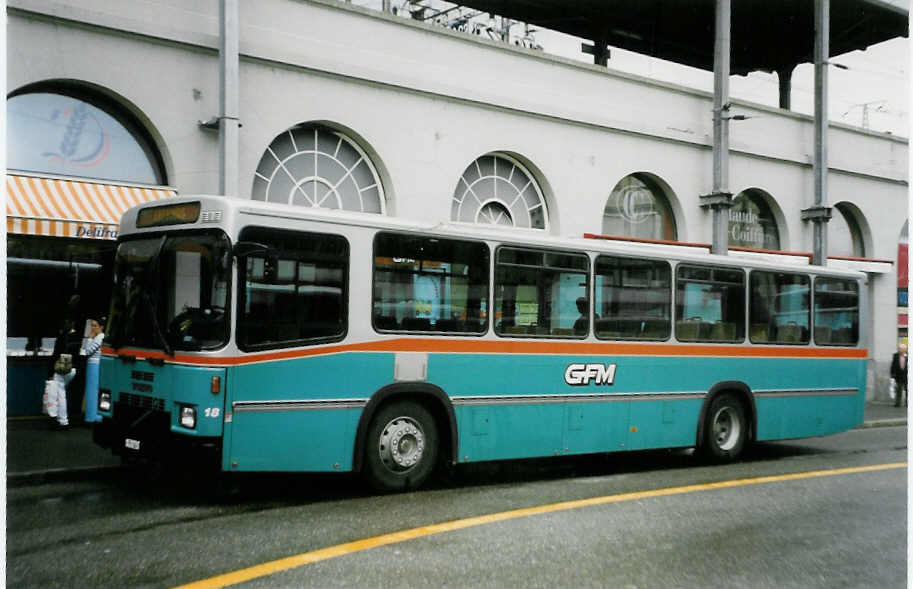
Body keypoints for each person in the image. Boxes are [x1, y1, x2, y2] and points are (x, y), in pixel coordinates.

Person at [83, 319, 105, 423]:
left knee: (92, 391)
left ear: (101, 327)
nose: (92, 328)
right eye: (92, 325)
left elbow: (88, 351)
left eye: (95, 326)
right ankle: (93, 416)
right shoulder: (99, 337)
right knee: (93, 391)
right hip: (94, 364)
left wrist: (89, 338)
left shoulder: (99, 337)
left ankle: (91, 417)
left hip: (94, 365)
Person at [52, 354, 76, 429]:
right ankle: (62, 418)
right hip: (72, 369)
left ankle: (63, 421)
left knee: (61, 396)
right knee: (64, 393)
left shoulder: (60, 342)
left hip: (61, 369)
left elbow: (56, 355)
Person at [891, 343, 908, 408]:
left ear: (904, 350)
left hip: (907, 376)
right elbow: (893, 365)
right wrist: (892, 374)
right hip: (899, 376)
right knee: (899, 390)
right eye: (899, 348)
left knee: (907, 390)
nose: (900, 350)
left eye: (901, 349)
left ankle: (907, 403)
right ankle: (898, 403)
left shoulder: (908, 355)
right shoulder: (895, 356)